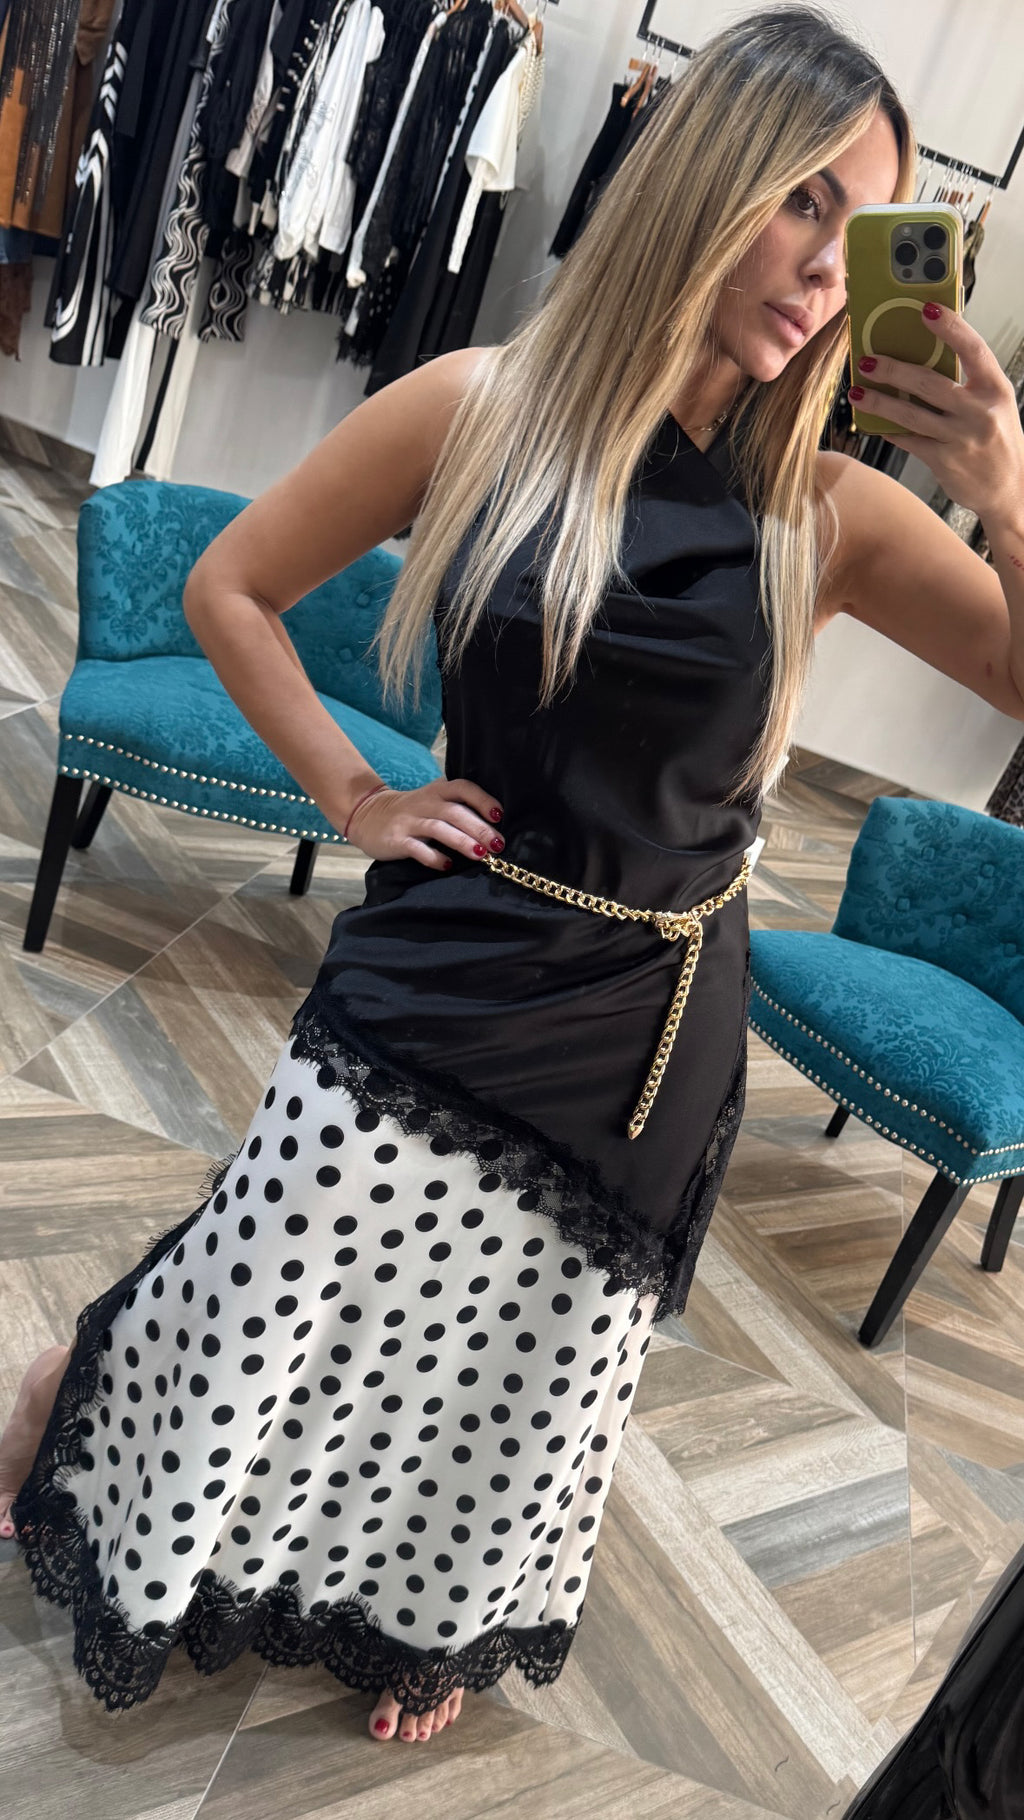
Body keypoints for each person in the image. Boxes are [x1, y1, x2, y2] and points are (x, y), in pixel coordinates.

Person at [3, 0, 1023, 1755]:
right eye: (801, 199)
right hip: (451, 949)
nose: (824, 267)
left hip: (651, 1014)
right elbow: (230, 587)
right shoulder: (483, 408)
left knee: (529, 1353)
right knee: (271, 1259)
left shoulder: (828, 516)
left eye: (867, 231)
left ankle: (437, 1605)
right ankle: (73, 1396)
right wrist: (353, 790)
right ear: (705, 176)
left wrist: (1006, 483)